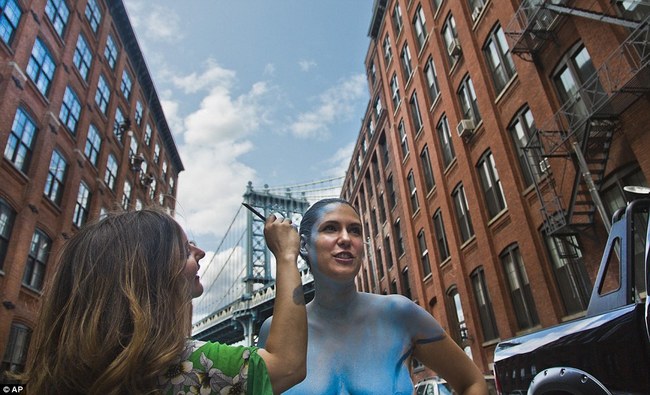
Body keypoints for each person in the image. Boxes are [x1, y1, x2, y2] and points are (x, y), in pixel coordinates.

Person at [21, 208, 306, 395]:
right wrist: (286, 255)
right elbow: (287, 365)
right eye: (184, 250)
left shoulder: (58, 371)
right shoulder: (192, 366)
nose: (202, 252)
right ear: (152, 275)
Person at [258, 198, 488, 395]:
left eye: (355, 230)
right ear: (303, 245)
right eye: (331, 228)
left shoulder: (399, 314)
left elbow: (472, 382)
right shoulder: (274, 331)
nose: (346, 238)